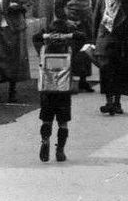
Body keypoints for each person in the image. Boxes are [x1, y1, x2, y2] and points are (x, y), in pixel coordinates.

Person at [32, 13, 88, 160]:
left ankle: (45, 140)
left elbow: (35, 37)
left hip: (47, 89)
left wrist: (46, 33)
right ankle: (60, 151)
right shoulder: (70, 49)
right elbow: (82, 37)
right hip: (63, 90)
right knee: (63, 122)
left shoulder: (43, 49)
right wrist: (68, 35)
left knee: (46, 120)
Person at [55, 0, 95, 91]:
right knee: (69, 53)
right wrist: (66, 21)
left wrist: (84, 21)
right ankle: (68, 80)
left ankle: (83, 81)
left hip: (83, 26)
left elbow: (89, 8)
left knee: (84, 54)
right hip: (68, 27)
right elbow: (58, 7)